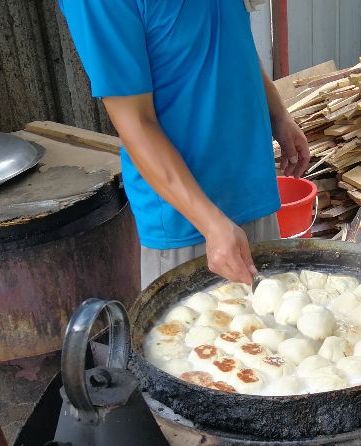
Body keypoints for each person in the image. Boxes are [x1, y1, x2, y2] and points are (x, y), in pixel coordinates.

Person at [59, 0, 310, 287]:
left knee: (275, 325)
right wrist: (211, 223)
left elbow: (234, 36)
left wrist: (279, 114)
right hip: (190, 225)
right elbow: (136, 123)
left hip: (255, 191)